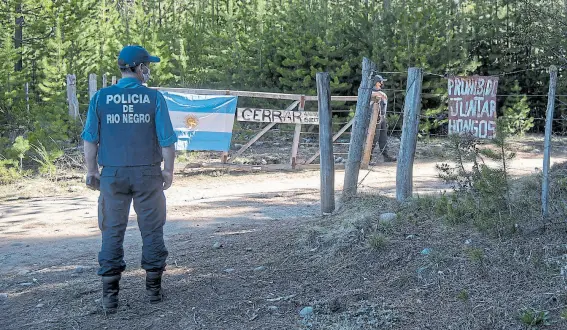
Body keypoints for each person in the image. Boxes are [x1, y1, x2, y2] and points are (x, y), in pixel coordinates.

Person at [81, 45, 178, 313]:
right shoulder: (154, 99)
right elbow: (167, 142)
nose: (149, 70)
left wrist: (92, 172)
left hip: (113, 174)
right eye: (147, 65)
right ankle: (154, 290)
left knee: (112, 230)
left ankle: (110, 296)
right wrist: (168, 171)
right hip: (148, 173)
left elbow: (90, 140)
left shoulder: (100, 98)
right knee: (152, 229)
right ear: (137, 68)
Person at [370, 74, 396, 162]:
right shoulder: (370, 92)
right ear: (378, 83)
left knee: (383, 138)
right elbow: (369, 95)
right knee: (373, 138)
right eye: (381, 82)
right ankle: (368, 158)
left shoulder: (383, 94)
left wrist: (384, 118)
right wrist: (378, 94)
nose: (382, 83)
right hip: (373, 119)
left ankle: (386, 156)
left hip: (382, 118)